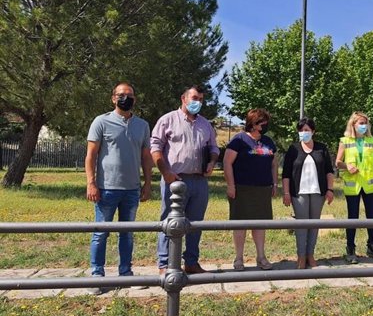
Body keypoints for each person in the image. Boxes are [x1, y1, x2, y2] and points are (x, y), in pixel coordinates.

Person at [85, 82, 153, 294]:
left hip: (131, 189)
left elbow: (146, 157)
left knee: (127, 233)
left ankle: (125, 274)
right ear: (113, 98)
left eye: (130, 95)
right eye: (122, 95)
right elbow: (91, 155)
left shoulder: (142, 125)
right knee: (100, 233)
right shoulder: (101, 122)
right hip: (106, 188)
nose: (126, 98)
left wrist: (148, 182)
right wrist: (91, 182)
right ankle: (96, 276)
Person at [151, 85, 219, 275]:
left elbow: (214, 148)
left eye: (201, 99)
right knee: (168, 222)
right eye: (194, 98)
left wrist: (212, 162)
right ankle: (165, 265)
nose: (198, 102)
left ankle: (191, 262)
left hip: (199, 182)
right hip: (175, 180)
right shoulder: (167, 120)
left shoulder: (205, 124)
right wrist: (165, 172)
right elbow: (155, 146)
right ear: (183, 98)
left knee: (195, 224)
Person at [224, 108, 278, 271]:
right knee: (240, 225)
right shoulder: (239, 140)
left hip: (262, 190)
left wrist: (274, 184)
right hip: (241, 189)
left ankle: (261, 257)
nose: (265, 125)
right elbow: (227, 163)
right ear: (253, 123)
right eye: (262, 122)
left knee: (260, 225)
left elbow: (274, 164)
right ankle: (239, 258)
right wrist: (231, 185)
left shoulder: (268, 141)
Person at [335, 112, 373, 263]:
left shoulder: (372, 141)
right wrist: (347, 166)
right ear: (353, 125)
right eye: (360, 123)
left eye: (365, 123)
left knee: (372, 216)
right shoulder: (345, 141)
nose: (363, 125)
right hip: (353, 186)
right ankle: (350, 249)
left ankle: (372, 246)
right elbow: (338, 162)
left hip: (370, 184)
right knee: (352, 218)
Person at [281, 118, 335, 269]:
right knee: (301, 225)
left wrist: (330, 190)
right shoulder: (293, 149)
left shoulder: (321, 148)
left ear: (313, 131)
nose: (303, 133)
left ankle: (310, 255)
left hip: (318, 193)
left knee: (314, 224)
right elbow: (285, 174)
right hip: (299, 193)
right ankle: (301, 256)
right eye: (301, 130)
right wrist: (286, 193)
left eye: (306, 130)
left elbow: (329, 171)